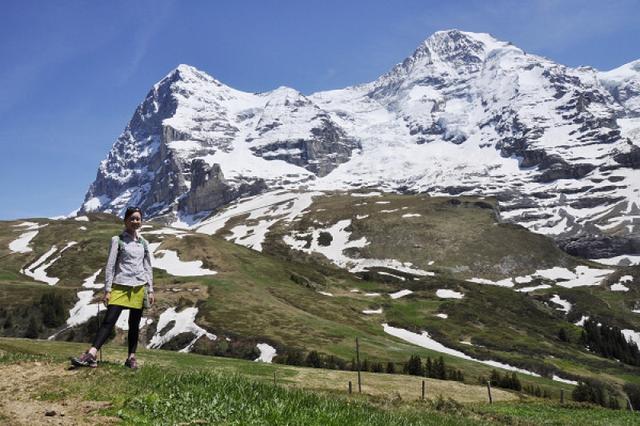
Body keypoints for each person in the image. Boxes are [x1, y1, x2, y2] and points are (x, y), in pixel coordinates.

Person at [71, 207, 155, 369]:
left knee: (134, 325)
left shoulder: (143, 243)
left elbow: (147, 268)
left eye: (138, 219)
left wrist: (150, 289)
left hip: (138, 287)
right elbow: (110, 267)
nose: (135, 221)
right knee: (108, 321)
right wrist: (108, 290)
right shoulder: (117, 240)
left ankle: (131, 358)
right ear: (125, 221)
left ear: (141, 221)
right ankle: (91, 354)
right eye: (132, 218)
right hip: (119, 286)